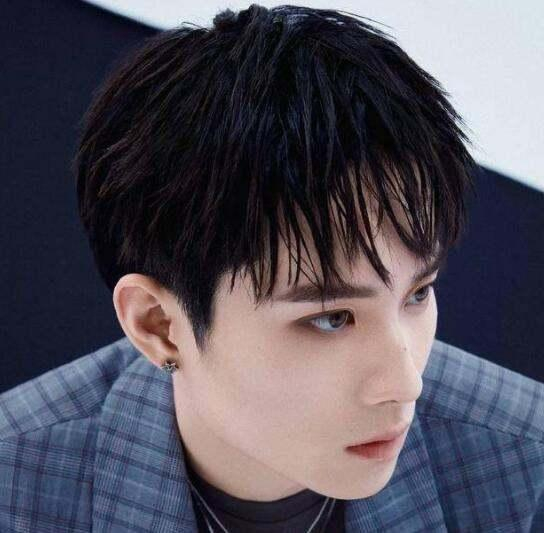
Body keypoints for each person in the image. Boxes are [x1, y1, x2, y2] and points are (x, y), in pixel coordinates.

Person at [1, 4, 543, 532]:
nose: (406, 383)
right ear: (159, 325)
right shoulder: (16, 490)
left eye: (418, 293)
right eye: (331, 318)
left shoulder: (524, 462)